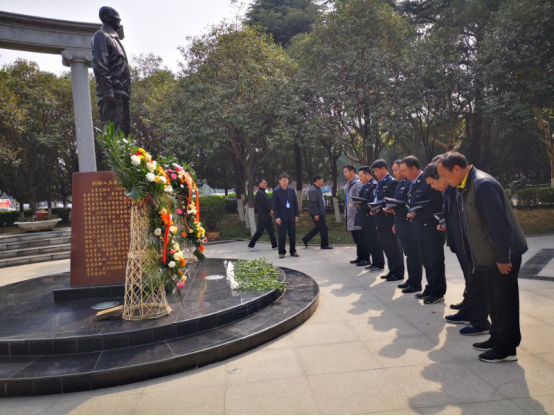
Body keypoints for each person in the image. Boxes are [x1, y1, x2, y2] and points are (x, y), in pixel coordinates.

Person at [438, 152, 528, 363]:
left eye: (444, 175)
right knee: (494, 302)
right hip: (486, 256)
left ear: (456, 169)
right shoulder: (465, 186)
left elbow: (500, 225)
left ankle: (506, 348)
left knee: (505, 303)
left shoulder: (483, 184)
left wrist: (503, 257)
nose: (444, 180)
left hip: (501, 256)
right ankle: (496, 338)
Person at [423, 161, 491, 336]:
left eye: (435, 181)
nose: (432, 186)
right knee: (470, 281)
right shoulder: (450, 190)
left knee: (476, 282)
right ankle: (468, 311)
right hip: (461, 243)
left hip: (470, 244)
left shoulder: (468, 187)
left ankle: (480, 320)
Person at [401, 156, 446, 305]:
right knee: (426, 262)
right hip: (419, 230)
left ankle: (437, 292)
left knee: (435, 262)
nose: (403, 174)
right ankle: (430, 287)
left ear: (414, 168)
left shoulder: (428, 181)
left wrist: (418, 213)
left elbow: (437, 206)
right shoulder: (413, 183)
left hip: (431, 230)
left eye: (404, 170)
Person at [92, 7, 131, 136]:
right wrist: (108, 90)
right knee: (114, 132)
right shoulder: (101, 35)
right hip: (112, 93)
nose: (119, 19)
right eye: (116, 15)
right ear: (106, 17)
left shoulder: (115, 39)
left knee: (124, 133)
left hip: (122, 93)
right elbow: (100, 65)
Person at [386, 160, 423, 294]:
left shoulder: (410, 182)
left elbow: (407, 204)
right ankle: (411, 279)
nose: (397, 172)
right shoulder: (402, 183)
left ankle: (415, 282)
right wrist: (395, 222)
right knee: (408, 253)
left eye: (400, 169)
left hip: (408, 224)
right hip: (401, 222)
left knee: (413, 254)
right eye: (397, 170)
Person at [371, 159, 405, 281]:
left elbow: (394, 201)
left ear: (384, 169)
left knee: (393, 247)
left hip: (389, 219)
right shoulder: (380, 182)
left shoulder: (392, 182)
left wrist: (385, 207)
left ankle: (398, 272)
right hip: (380, 219)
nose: (375, 174)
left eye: (376, 171)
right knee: (386, 247)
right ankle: (392, 270)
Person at [354, 167, 385, 272]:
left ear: (367, 174)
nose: (360, 179)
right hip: (365, 219)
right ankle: (374, 262)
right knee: (370, 242)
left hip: (370, 219)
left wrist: (360, 205)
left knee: (375, 242)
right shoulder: (366, 185)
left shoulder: (374, 185)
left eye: (361, 176)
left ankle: (379, 263)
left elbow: (372, 202)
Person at [273, 173, 300, 259]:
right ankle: (281, 252)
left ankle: (293, 251)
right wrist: (277, 217)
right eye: (283, 181)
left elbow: (295, 204)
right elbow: (275, 206)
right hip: (281, 218)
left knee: (292, 235)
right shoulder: (276, 192)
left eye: (286, 180)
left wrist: (296, 215)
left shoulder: (292, 191)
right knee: (282, 236)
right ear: (279, 181)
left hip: (291, 217)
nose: (285, 182)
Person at [303, 174, 334, 250]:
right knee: (324, 229)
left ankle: (306, 238)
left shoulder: (317, 188)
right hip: (317, 213)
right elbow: (313, 203)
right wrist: (316, 213)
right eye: (322, 179)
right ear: (317, 180)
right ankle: (324, 245)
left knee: (318, 227)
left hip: (320, 212)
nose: (323, 181)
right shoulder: (313, 190)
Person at [344, 165, 366, 266]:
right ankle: (360, 256)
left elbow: (360, 198)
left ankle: (365, 258)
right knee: (356, 238)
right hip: (350, 214)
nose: (345, 174)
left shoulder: (358, 182)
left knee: (361, 238)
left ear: (352, 171)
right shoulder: (348, 184)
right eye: (344, 172)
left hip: (357, 214)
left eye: (346, 172)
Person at [248, 179, 278, 252]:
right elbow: (263, 204)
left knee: (271, 231)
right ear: (260, 184)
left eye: (266, 183)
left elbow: (267, 203)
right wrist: (270, 210)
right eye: (264, 183)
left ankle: (274, 245)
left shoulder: (263, 192)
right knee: (259, 232)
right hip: (263, 216)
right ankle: (251, 245)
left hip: (267, 216)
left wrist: (271, 209)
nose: (265, 184)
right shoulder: (259, 193)